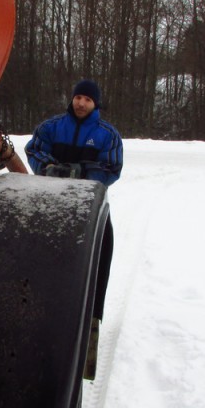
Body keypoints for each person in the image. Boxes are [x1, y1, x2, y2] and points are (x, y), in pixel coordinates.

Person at [25, 79, 122, 378]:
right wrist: (48, 167)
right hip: (49, 203)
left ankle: (90, 324)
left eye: (87, 100)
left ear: (96, 104)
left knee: (98, 259)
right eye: (78, 97)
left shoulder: (107, 135)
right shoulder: (51, 127)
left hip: (87, 210)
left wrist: (82, 171)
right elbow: (34, 150)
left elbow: (112, 169)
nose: (81, 103)